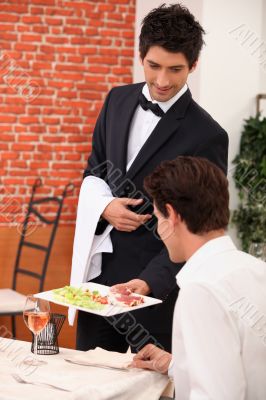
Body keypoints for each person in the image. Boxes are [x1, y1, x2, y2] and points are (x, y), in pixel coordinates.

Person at [75, 3, 229, 352]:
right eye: (153, 66)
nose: (162, 81)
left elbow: (199, 224)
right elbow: (94, 171)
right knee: (88, 380)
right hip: (97, 281)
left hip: (155, 292)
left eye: (175, 70)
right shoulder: (116, 99)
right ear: (140, 55)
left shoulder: (208, 135)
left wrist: (149, 281)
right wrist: (104, 206)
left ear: (194, 65)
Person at [130, 156, 266, 399]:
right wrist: (176, 365)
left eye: (158, 218)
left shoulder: (201, 289)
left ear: (171, 215)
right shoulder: (256, 269)